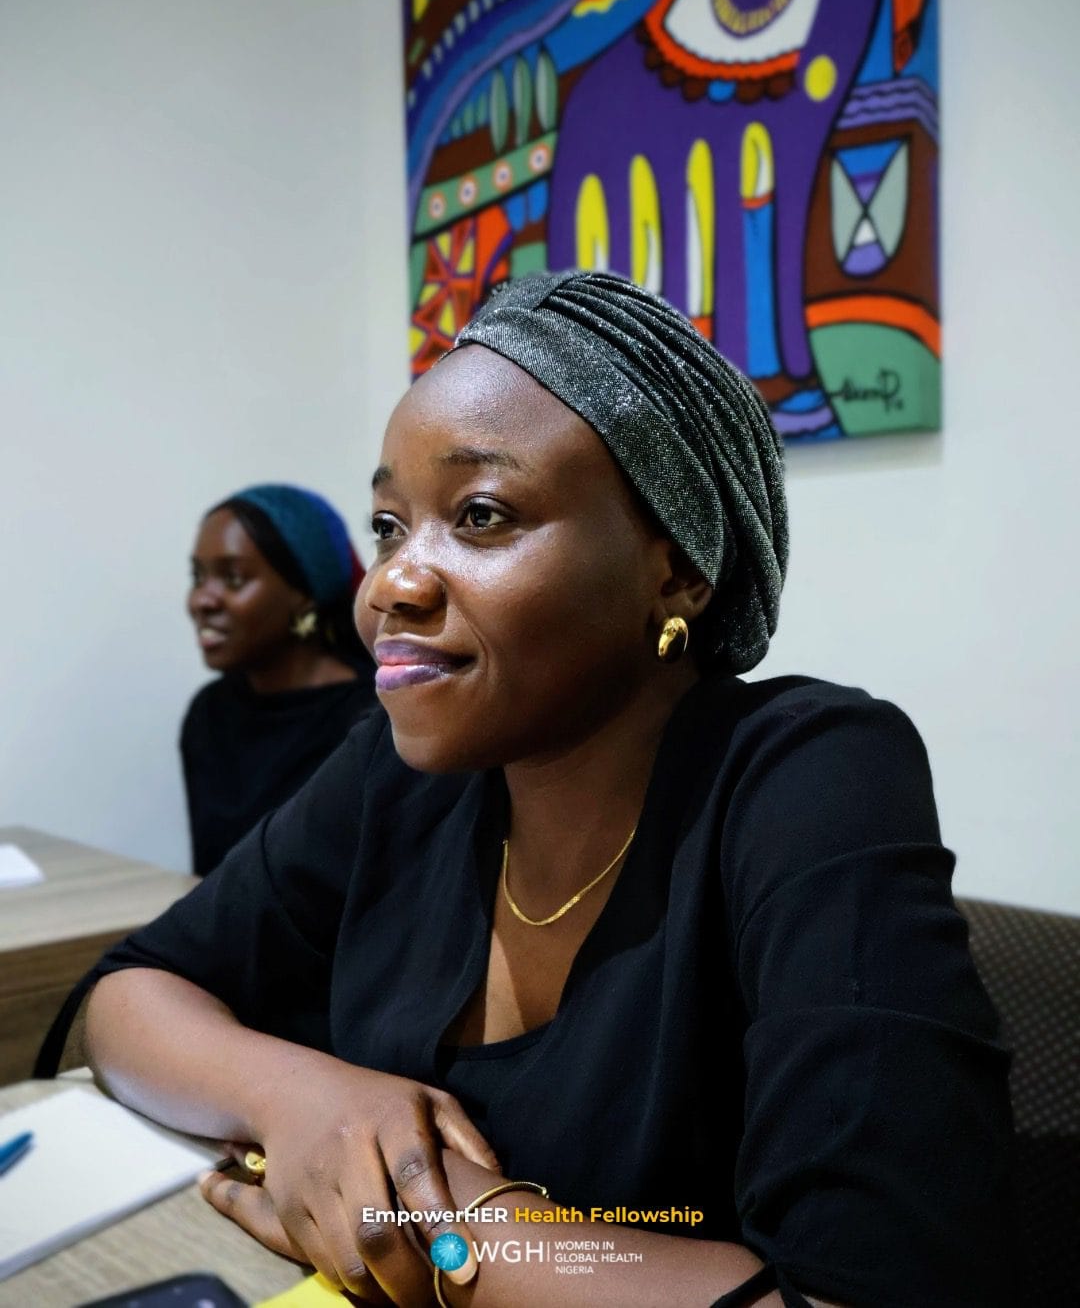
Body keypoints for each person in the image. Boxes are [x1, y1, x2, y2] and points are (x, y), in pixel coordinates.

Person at [75, 273, 1016, 1307]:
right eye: (388, 526)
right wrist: (304, 1097)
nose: (389, 585)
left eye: (480, 515)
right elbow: (128, 996)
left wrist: (444, 1232)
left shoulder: (811, 773)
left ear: (676, 570)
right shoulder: (397, 772)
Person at [181, 483, 377, 876]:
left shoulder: (370, 724)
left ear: (305, 593)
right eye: (198, 576)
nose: (202, 600)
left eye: (233, 578)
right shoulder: (209, 713)